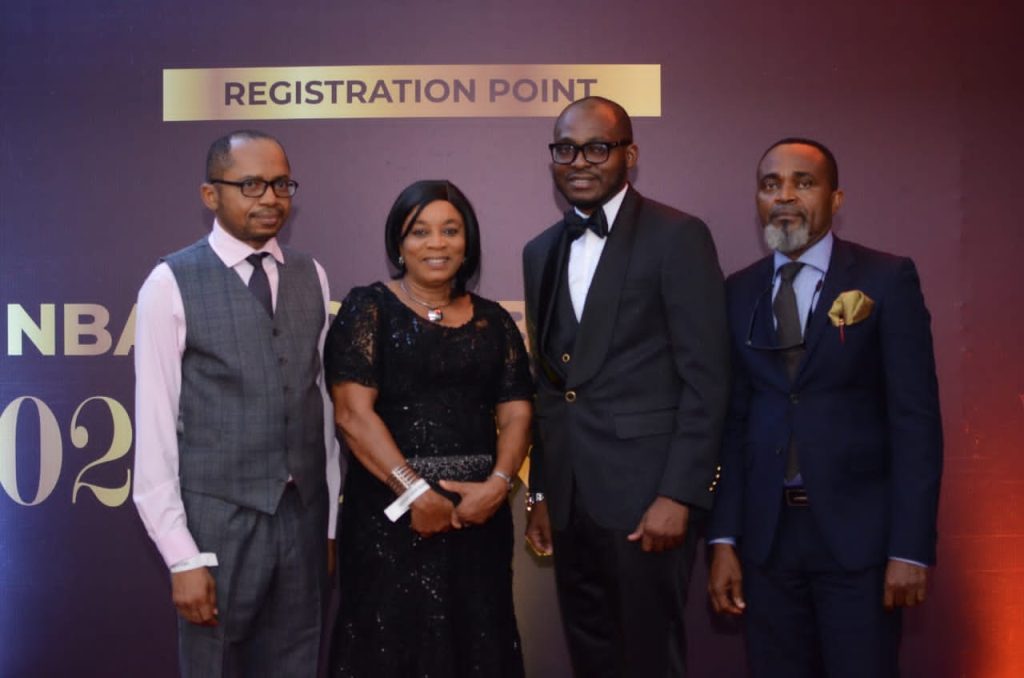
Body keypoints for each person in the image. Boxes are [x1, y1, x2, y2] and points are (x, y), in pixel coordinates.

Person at [707, 138, 943, 677]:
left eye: (804, 183)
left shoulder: (885, 279)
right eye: (771, 185)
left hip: (860, 543)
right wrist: (723, 539)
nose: (785, 196)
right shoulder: (738, 291)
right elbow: (733, 424)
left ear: (836, 199)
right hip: (766, 543)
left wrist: (910, 548)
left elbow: (915, 422)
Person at [521, 96, 730, 677]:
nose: (579, 162)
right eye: (565, 149)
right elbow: (549, 386)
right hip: (571, 503)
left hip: (648, 500)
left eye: (597, 148)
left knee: (648, 659)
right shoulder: (540, 250)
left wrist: (679, 494)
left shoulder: (678, 236)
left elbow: (707, 378)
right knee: (591, 656)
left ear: (629, 155)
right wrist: (542, 492)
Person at [132, 129, 340, 677]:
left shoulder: (312, 275)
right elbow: (155, 430)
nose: (270, 198)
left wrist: (329, 525)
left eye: (281, 184)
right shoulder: (170, 282)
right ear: (211, 195)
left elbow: (321, 408)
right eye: (251, 185)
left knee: (298, 663)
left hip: (302, 520)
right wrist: (182, 555)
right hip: (216, 526)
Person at [325, 180, 532, 678]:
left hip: (478, 520)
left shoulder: (495, 321)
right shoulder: (368, 309)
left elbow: (517, 413)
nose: (436, 243)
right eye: (420, 231)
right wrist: (415, 491)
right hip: (390, 520)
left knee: (477, 645)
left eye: (450, 231)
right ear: (399, 243)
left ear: (468, 242)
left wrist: (499, 485)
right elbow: (352, 415)